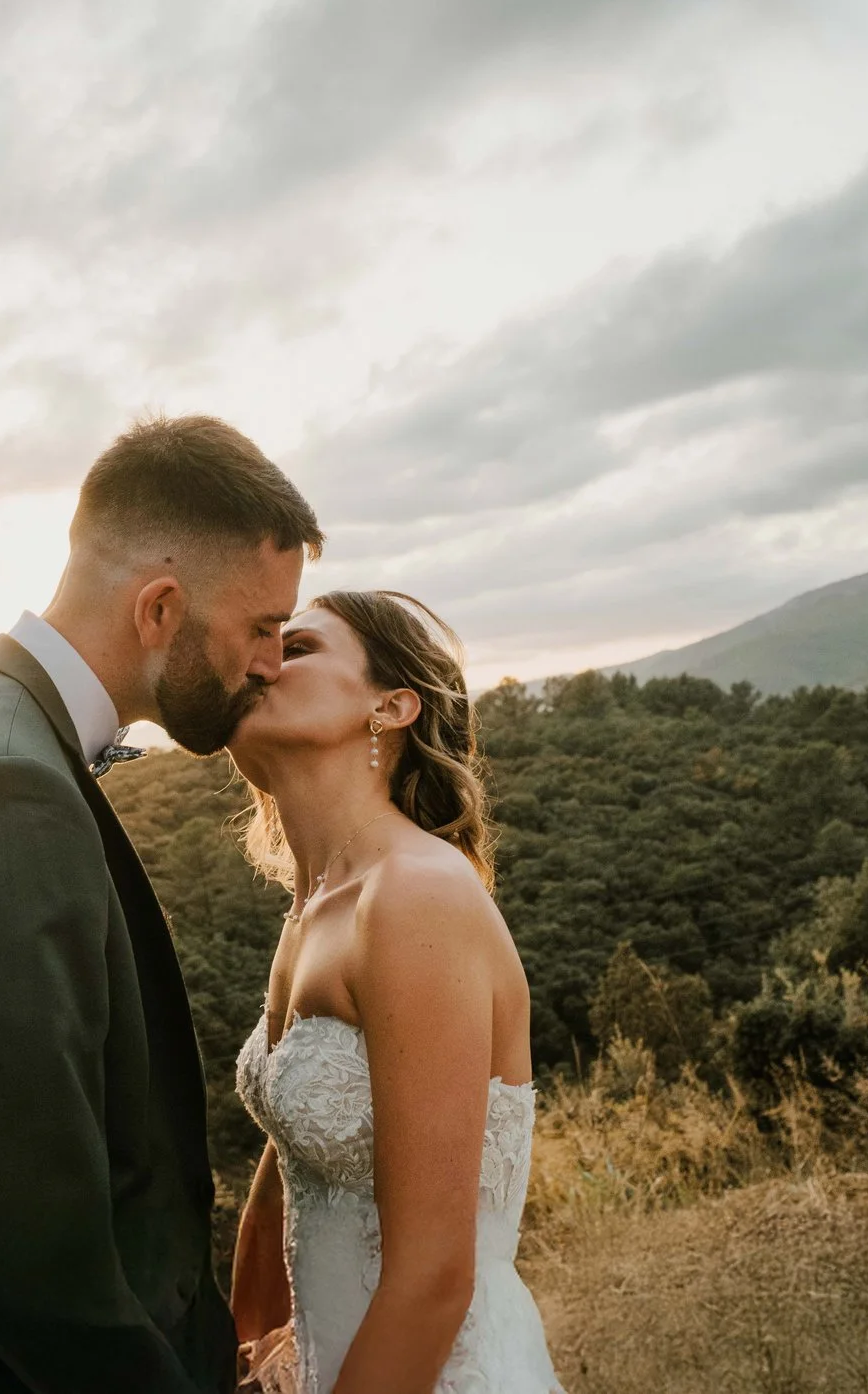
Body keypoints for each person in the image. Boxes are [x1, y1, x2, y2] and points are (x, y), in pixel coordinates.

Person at [0, 415, 324, 1393]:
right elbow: (28, 1264)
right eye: (260, 627)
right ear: (161, 608)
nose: (270, 661)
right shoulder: (2, 793)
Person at [226, 592, 564, 1394]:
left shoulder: (415, 897)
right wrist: (254, 1346)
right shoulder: (311, 911)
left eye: (297, 646)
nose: (262, 661)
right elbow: (293, 1160)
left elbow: (435, 1279)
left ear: (392, 705)